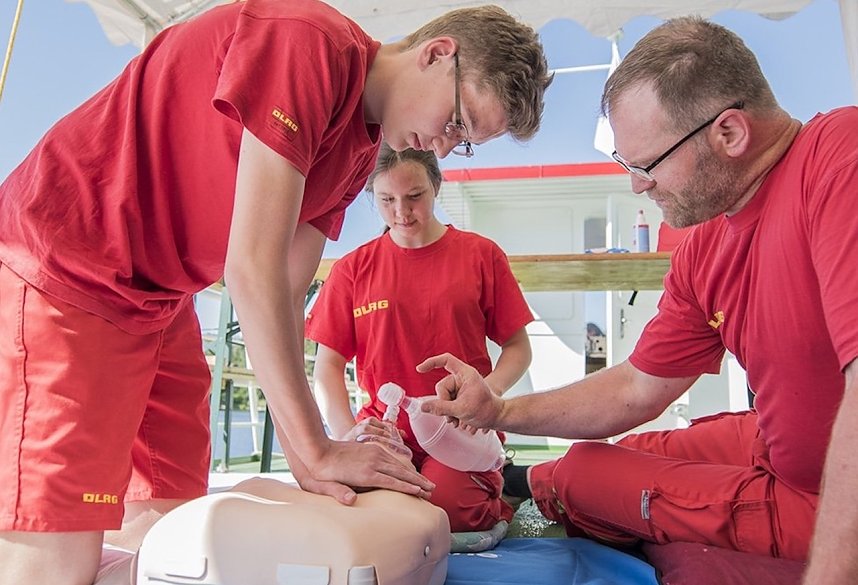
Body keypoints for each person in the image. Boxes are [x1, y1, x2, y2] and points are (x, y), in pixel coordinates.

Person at [0, 0, 552, 582]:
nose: (442, 147)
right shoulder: (307, 42)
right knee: (53, 561)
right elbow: (251, 269)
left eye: (464, 144)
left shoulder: (362, 152)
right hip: (66, 263)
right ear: (439, 54)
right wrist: (317, 448)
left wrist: (309, 460)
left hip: (160, 300)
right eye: (459, 122)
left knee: (173, 536)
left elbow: (289, 293)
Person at [418, 15, 858, 585]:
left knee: (587, 481)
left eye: (645, 165)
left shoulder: (838, 161)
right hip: (775, 441)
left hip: (821, 493)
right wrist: (498, 412)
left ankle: (549, 492)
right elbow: (636, 388)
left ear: (729, 133)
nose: (637, 186)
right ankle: (533, 484)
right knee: (620, 453)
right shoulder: (706, 246)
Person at [305, 143, 533, 533]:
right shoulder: (351, 270)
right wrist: (344, 437)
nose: (401, 212)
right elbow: (327, 367)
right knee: (378, 520)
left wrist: (482, 397)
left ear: (436, 187)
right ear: (371, 196)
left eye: (415, 196)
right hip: (384, 429)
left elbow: (518, 349)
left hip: (459, 428)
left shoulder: (481, 255)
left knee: (449, 516)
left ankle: (499, 486)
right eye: (387, 199)